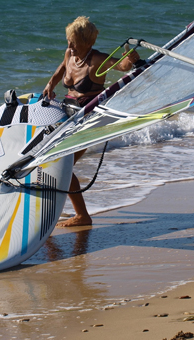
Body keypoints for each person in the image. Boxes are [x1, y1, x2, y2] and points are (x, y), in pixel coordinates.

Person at [42, 16, 140, 227]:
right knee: (49, 160)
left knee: (63, 165)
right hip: (65, 114)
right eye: (69, 41)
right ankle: (55, 209)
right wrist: (51, 84)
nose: (69, 46)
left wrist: (130, 59)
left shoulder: (97, 60)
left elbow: (121, 66)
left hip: (86, 119)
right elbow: (62, 67)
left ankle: (82, 216)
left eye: (74, 42)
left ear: (88, 43)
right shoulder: (70, 53)